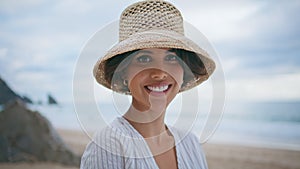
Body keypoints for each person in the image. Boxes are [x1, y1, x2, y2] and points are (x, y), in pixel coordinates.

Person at [80, 0, 215, 168]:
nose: (159, 73)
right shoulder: (108, 146)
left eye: (171, 58)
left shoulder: (191, 144)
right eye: (144, 59)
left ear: (184, 71)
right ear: (123, 73)